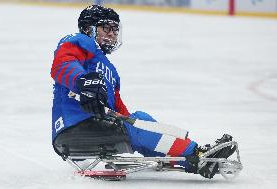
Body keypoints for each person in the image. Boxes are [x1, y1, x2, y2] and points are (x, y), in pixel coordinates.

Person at [50, 5, 235, 179]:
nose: (113, 35)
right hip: (73, 126)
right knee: (137, 124)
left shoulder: (110, 71)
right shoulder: (80, 41)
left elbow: (120, 111)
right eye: (107, 29)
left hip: (94, 126)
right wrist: (82, 81)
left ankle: (193, 160)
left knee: (139, 121)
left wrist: (136, 125)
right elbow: (62, 64)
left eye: (115, 30)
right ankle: (196, 153)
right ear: (89, 29)